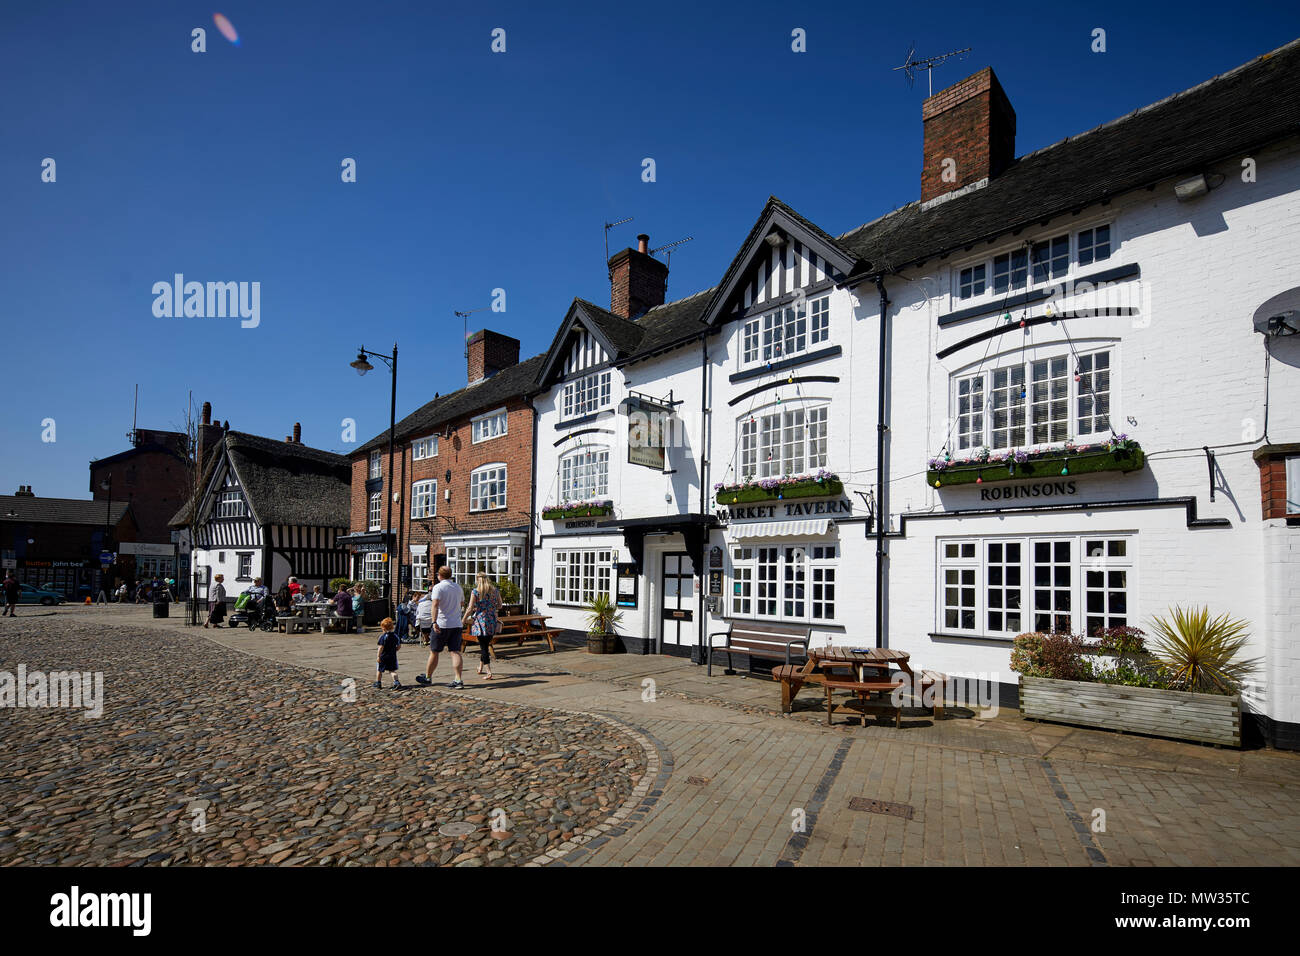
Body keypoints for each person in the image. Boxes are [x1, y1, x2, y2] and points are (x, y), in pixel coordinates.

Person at [416, 567, 464, 689]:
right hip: (456, 623)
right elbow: (461, 604)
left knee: (434, 651)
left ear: (440, 575)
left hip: (442, 624)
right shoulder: (458, 587)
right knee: (455, 651)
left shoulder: (438, 587)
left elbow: (435, 605)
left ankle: (427, 677)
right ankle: (458, 679)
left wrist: (433, 622)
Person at [464, 573, 501, 680]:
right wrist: (491, 607)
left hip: (480, 621)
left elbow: (470, 608)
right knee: (485, 644)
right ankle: (480, 667)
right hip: (492, 620)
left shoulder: (476, 592)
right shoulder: (495, 591)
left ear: (477, 580)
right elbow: (500, 605)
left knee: (483, 647)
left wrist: (464, 619)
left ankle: (489, 672)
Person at [373, 616, 402, 689]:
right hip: (392, 656)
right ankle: (396, 682)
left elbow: (380, 647)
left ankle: (378, 683)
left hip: (383, 656)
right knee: (392, 670)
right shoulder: (395, 636)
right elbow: (398, 646)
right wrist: (394, 650)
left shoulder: (383, 637)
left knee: (379, 670)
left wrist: (378, 656)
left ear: (383, 628)